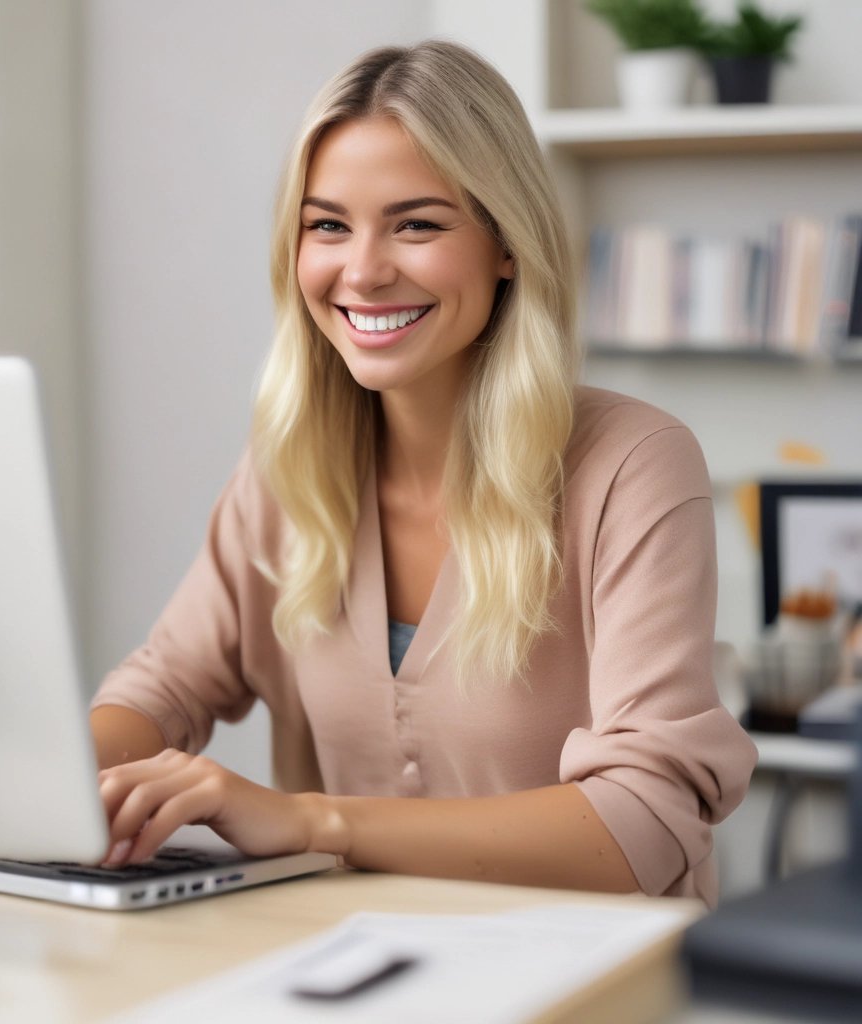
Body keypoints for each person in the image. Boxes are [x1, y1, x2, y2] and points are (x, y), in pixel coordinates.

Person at [90, 40, 757, 906]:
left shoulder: (634, 464)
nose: (363, 271)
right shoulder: (288, 470)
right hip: (355, 961)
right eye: (328, 225)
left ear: (507, 244)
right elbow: (160, 691)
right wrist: (51, 781)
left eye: (417, 225)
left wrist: (313, 822)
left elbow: (644, 821)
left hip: (591, 968)